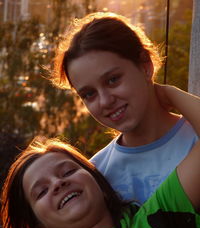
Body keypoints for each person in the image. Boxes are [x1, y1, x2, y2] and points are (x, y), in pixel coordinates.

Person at [1, 86, 200, 228]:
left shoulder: (155, 221)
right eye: (42, 191)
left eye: (68, 171)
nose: (58, 183)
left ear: (99, 182)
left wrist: (165, 93)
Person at [51, 12, 198, 204]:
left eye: (113, 80)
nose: (104, 101)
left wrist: (171, 93)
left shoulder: (195, 135)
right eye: (89, 94)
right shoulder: (98, 176)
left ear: (145, 65)